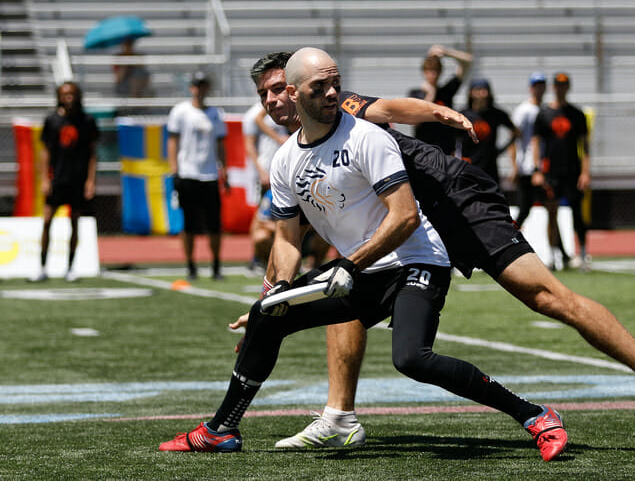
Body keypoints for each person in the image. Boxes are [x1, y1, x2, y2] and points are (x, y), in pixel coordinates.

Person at [229, 52, 635, 454]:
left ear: (299, 90)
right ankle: (339, 415)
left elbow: (392, 106)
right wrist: (271, 305)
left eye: (279, 89)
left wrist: (438, 112)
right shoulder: (295, 153)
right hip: (406, 223)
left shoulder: (341, 112)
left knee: (544, 296)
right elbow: (286, 242)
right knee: (347, 282)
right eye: (264, 94)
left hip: (451, 198)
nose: (274, 101)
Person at [159, 47, 570, 462]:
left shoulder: (367, 137)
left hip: (415, 261)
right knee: (265, 317)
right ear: (296, 93)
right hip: (360, 270)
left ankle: (536, 416)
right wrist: (277, 294)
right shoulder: (285, 160)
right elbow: (286, 242)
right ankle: (221, 430)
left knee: (412, 359)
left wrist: (351, 264)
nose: (332, 93)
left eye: (335, 84)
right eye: (319, 87)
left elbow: (406, 217)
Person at [30, 82, 99, 283]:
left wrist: (90, 180)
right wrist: (44, 178)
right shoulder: (52, 120)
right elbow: (45, 152)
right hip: (56, 179)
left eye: (72, 94)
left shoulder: (86, 121)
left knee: (74, 222)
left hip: (77, 179)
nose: (68, 97)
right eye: (64, 94)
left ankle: (70, 267)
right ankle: (42, 267)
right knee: (47, 221)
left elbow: (92, 153)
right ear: (59, 96)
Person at [167, 71, 228, 281]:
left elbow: (220, 144)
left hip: (209, 174)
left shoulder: (215, 113)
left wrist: (224, 170)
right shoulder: (180, 111)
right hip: (188, 173)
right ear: (191, 87)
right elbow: (173, 141)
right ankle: (191, 265)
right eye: (196, 85)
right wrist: (174, 169)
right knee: (189, 224)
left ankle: (216, 265)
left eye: (203, 85)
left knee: (214, 225)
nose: (199, 89)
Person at [531, 72, 591, 268]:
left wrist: (585, 172)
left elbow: (585, 145)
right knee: (552, 213)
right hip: (551, 172)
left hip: (572, 171)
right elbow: (536, 143)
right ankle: (554, 255)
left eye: (564, 85)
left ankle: (582, 254)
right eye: (558, 85)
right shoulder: (544, 114)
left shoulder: (577, 114)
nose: (560, 88)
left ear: (568, 87)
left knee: (577, 213)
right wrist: (537, 170)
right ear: (553, 87)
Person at [242, 102, 290, 272]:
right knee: (261, 215)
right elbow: (250, 143)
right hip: (267, 169)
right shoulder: (255, 113)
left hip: (283, 169)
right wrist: (260, 170)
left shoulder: (285, 109)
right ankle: (257, 256)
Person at [407, 44, 473, 155]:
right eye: (430, 71)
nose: (433, 75)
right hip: (423, 151)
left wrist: (446, 52)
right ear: (424, 72)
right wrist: (430, 94)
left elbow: (468, 61)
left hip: (445, 151)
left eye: (436, 71)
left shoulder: (446, 92)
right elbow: (415, 121)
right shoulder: (416, 94)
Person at [455, 77, 518, 184]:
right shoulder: (463, 115)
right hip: (468, 169)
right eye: (479, 90)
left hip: (490, 170)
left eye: (485, 90)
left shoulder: (496, 114)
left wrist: (500, 150)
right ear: (471, 93)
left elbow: (516, 131)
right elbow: (452, 140)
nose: (483, 93)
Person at [511, 72, 547, 228]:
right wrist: (514, 166)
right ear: (530, 88)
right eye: (535, 85)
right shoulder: (524, 110)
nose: (538, 89)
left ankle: (559, 250)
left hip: (543, 166)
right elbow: (513, 139)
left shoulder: (545, 109)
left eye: (541, 85)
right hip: (527, 167)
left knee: (552, 208)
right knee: (524, 208)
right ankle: (511, 238)